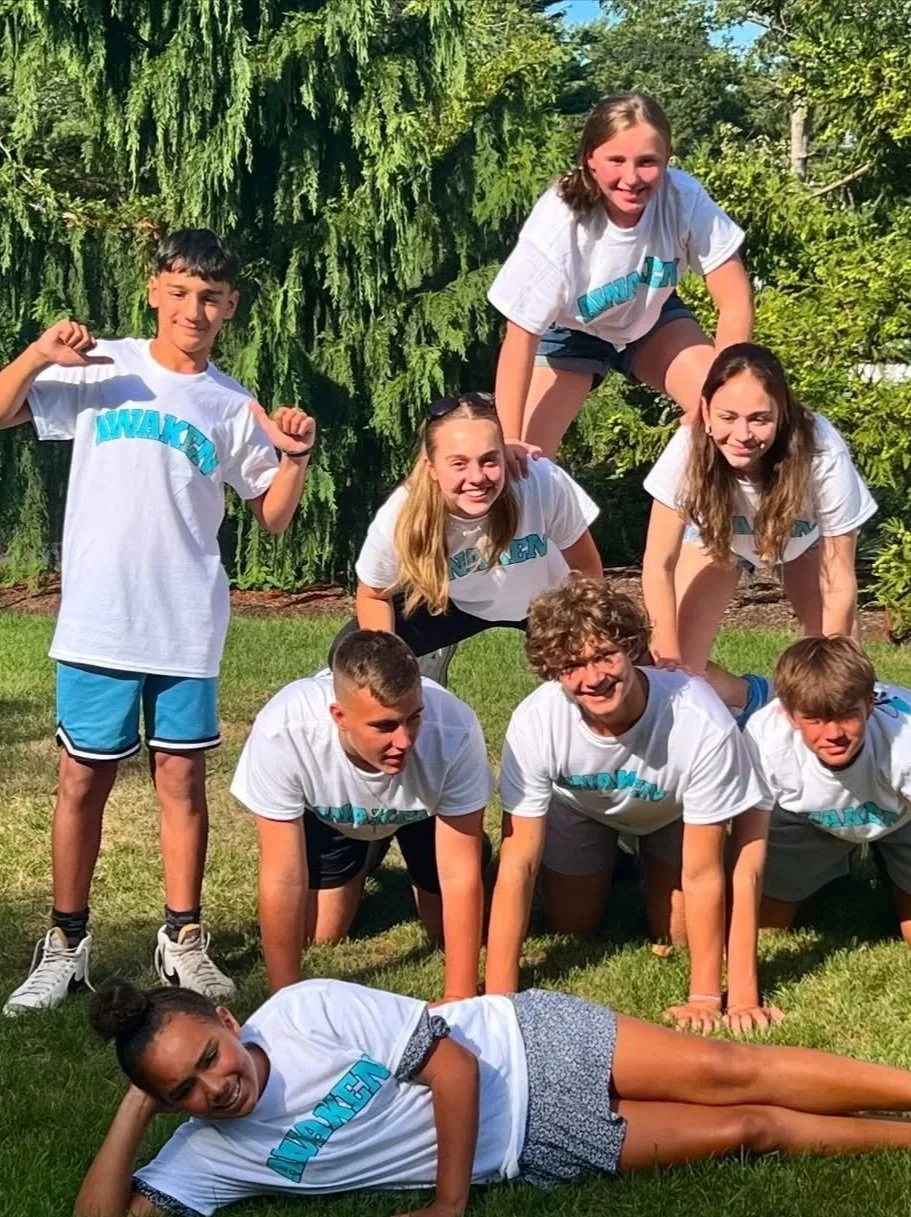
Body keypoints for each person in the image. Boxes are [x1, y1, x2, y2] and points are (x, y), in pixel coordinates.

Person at [1, 229, 316, 1015]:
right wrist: (39, 354)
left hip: (185, 624)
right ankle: (66, 944)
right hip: (99, 622)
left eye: (210, 297)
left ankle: (183, 939)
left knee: (181, 781)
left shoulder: (232, 404)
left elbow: (272, 517)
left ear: (231, 306)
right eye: (179, 292)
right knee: (82, 779)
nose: (194, 309)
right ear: (154, 292)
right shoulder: (102, 366)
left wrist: (297, 456)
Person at [76, 976, 911, 1217]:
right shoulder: (203, 1153)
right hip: (534, 1147)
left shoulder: (302, 1013)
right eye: (181, 1089)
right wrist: (137, 1111)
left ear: (228, 1022)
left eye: (209, 1058)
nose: (215, 1087)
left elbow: (450, 1066)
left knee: (728, 1064)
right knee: (749, 1130)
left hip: (523, 1045)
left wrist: (449, 1208)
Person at [486, 574, 774, 1035]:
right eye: (572, 666)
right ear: (552, 670)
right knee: (571, 925)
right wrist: (497, 1000)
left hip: (670, 812)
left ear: (632, 649)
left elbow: (703, 873)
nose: (593, 678)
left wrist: (704, 997)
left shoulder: (698, 719)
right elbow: (518, 863)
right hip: (579, 808)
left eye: (605, 656)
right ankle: (614, 863)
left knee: (679, 934)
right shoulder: (536, 721)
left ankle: (648, 864)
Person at [488, 91, 754, 460]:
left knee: (730, 419)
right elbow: (520, 336)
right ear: (589, 159)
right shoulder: (558, 223)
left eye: (647, 162)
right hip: (568, 331)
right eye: (616, 160)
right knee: (525, 465)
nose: (631, 178)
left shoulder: (683, 197)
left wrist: (717, 393)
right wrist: (511, 439)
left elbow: (735, 300)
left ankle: (729, 517)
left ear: (667, 159)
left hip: (651, 317)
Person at [230, 630, 493, 1002]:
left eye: (413, 718)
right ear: (339, 716)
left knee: (445, 929)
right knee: (320, 933)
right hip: (337, 814)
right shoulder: (284, 729)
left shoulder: (454, 728)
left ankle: (408, 852)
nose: (404, 740)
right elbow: (282, 876)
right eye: (385, 726)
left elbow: (459, 874)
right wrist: (282, 1003)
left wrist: (459, 997)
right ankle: (365, 851)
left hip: (423, 813)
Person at [733, 635, 911, 1024]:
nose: (834, 733)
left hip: (908, 815)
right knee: (768, 928)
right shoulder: (763, 739)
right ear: (789, 715)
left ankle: (894, 867)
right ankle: (833, 870)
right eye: (815, 719)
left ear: (870, 705)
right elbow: (748, 862)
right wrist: (742, 996)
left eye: (846, 715)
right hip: (810, 816)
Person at [642, 342, 877, 673]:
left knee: (838, 665)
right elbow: (658, 566)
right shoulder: (686, 448)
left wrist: (831, 673)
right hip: (715, 538)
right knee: (677, 673)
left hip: (803, 543)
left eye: (759, 419)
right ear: (706, 411)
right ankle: (746, 697)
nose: (742, 435)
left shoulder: (822, 450)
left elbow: (838, 579)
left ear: (781, 413)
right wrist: (668, 660)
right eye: (727, 417)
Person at [344, 391, 601, 685]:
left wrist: (584, 642)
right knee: (355, 652)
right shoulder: (401, 513)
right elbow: (374, 594)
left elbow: (587, 570)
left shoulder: (540, 480)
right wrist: (388, 667)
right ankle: (428, 660)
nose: (477, 477)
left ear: (505, 453)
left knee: (610, 669)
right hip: (457, 603)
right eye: (459, 464)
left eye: (489, 460)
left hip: (546, 601)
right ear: (432, 468)